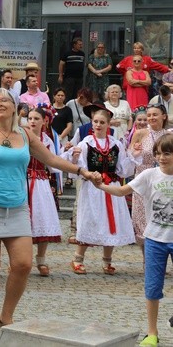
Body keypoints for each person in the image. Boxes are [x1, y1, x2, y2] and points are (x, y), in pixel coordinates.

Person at [0, 87, 99, 343]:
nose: (0, 103)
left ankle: (6, 315)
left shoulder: (26, 135)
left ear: (15, 107)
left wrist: (82, 172)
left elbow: (52, 159)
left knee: (24, 264)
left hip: (17, 207)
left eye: (5, 99)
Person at [88, 133, 173, 347]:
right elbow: (120, 191)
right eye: (158, 153)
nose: (162, 157)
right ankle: (152, 333)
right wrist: (100, 186)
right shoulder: (149, 176)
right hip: (154, 239)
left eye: (167, 153)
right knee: (153, 288)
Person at [64, 102, 136, 275]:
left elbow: (122, 168)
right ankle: (77, 259)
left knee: (110, 222)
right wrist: (74, 158)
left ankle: (107, 261)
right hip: (92, 188)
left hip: (111, 187)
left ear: (108, 124)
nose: (98, 125)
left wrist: (134, 156)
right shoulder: (86, 142)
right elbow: (78, 167)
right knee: (90, 219)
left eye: (102, 122)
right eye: (95, 121)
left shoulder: (116, 144)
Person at [128, 104, 170, 257]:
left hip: (162, 181)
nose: (151, 118)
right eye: (149, 115)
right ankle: (148, 259)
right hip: (143, 180)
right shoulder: (140, 133)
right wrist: (135, 151)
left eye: (155, 115)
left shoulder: (169, 135)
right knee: (142, 222)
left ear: (164, 116)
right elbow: (130, 157)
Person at [25, 107, 62, 277]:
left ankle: (41, 259)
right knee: (21, 222)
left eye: (36, 118)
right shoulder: (20, 137)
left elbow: (54, 165)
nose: (32, 121)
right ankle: (18, 260)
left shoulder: (46, 140)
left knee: (43, 218)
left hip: (40, 182)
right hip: (21, 181)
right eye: (30, 118)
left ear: (43, 121)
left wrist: (69, 155)